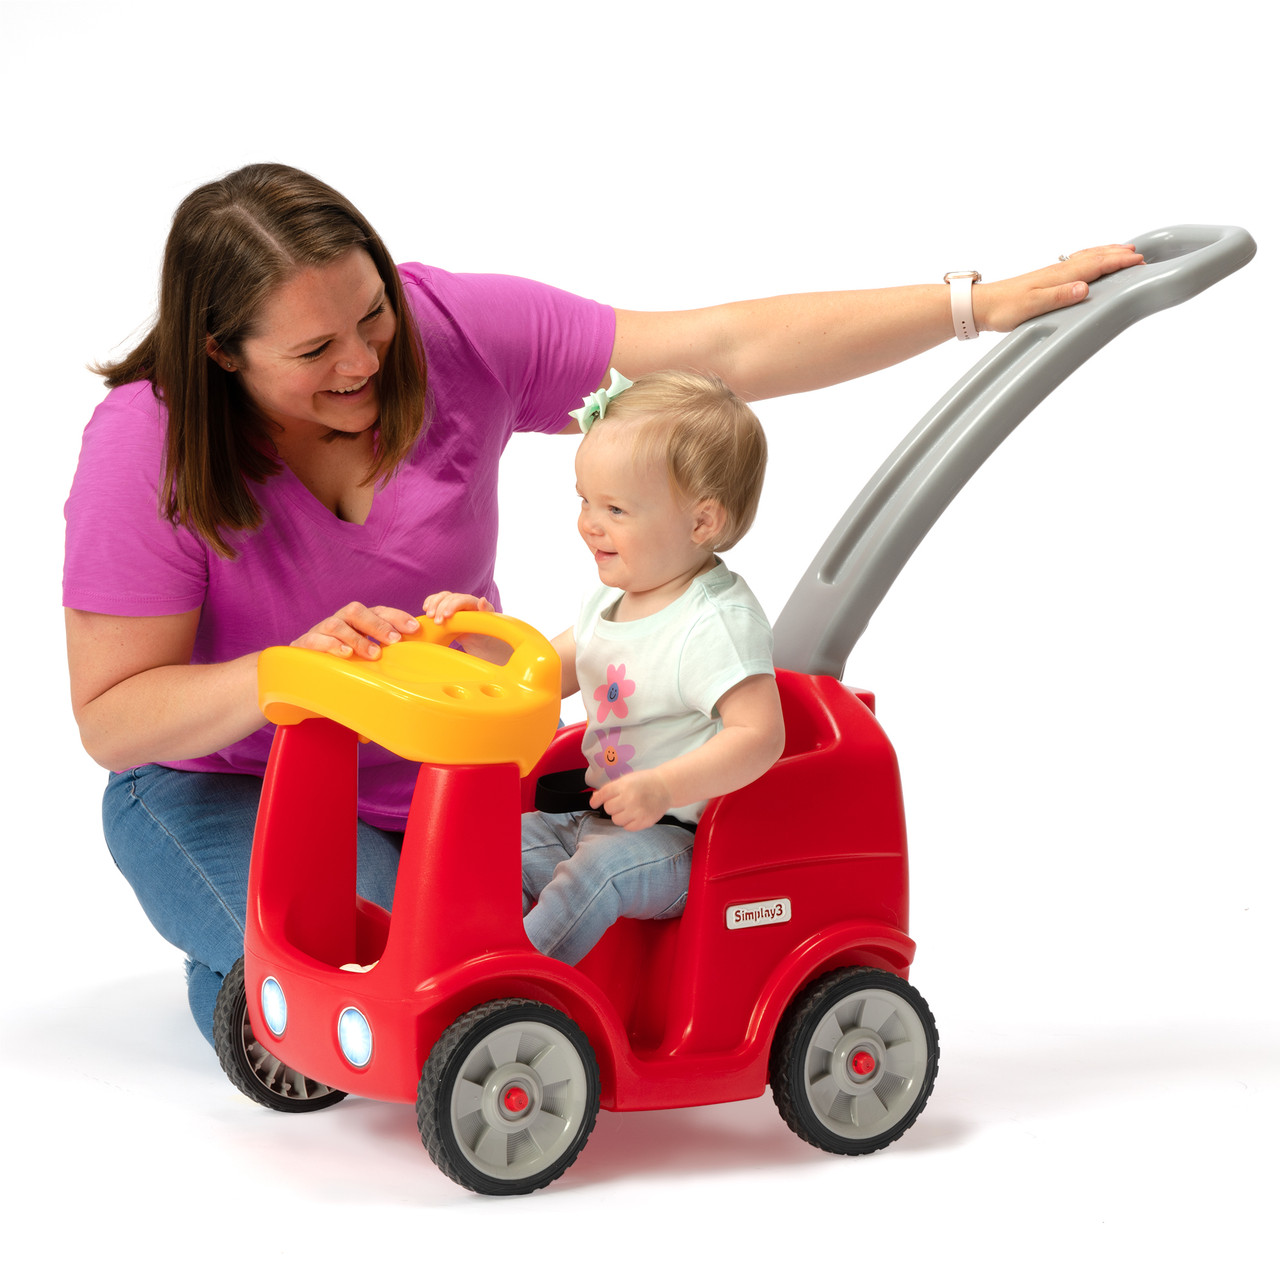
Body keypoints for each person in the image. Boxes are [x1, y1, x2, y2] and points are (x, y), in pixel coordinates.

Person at [62, 161, 1142, 1049]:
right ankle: (238, 976)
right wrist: (291, 673)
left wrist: (975, 306)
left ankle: (267, 966)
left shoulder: (451, 332)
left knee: (457, 980)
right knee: (377, 992)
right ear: (221, 353)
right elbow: (114, 718)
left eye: (371, 313)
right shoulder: (147, 448)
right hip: (231, 785)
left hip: (448, 781)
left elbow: (720, 352)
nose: (363, 360)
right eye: (312, 351)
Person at [424, 369, 784, 964]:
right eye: (584, 500)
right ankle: (445, 963)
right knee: (481, 848)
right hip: (592, 816)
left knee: (596, 873)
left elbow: (761, 735)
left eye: (615, 508)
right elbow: (541, 673)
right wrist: (477, 637)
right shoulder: (610, 602)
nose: (589, 523)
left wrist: (663, 787)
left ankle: (519, 986)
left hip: (681, 841)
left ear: (702, 523)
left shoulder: (715, 622)